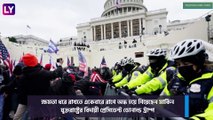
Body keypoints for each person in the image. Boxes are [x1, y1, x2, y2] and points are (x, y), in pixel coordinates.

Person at [161, 39, 213, 119]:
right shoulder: (175, 80)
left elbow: (211, 113)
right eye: (178, 64)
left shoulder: (210, 81)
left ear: (198, 62)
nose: (181, 67)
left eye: (186, 63)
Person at [13, 53, 63, 120]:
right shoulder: (42, 73)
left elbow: (21, 90)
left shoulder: (23, 76)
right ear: (35, 62)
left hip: (25, 101)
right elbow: (56, 74)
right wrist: (60, 65)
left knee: (18, 117)